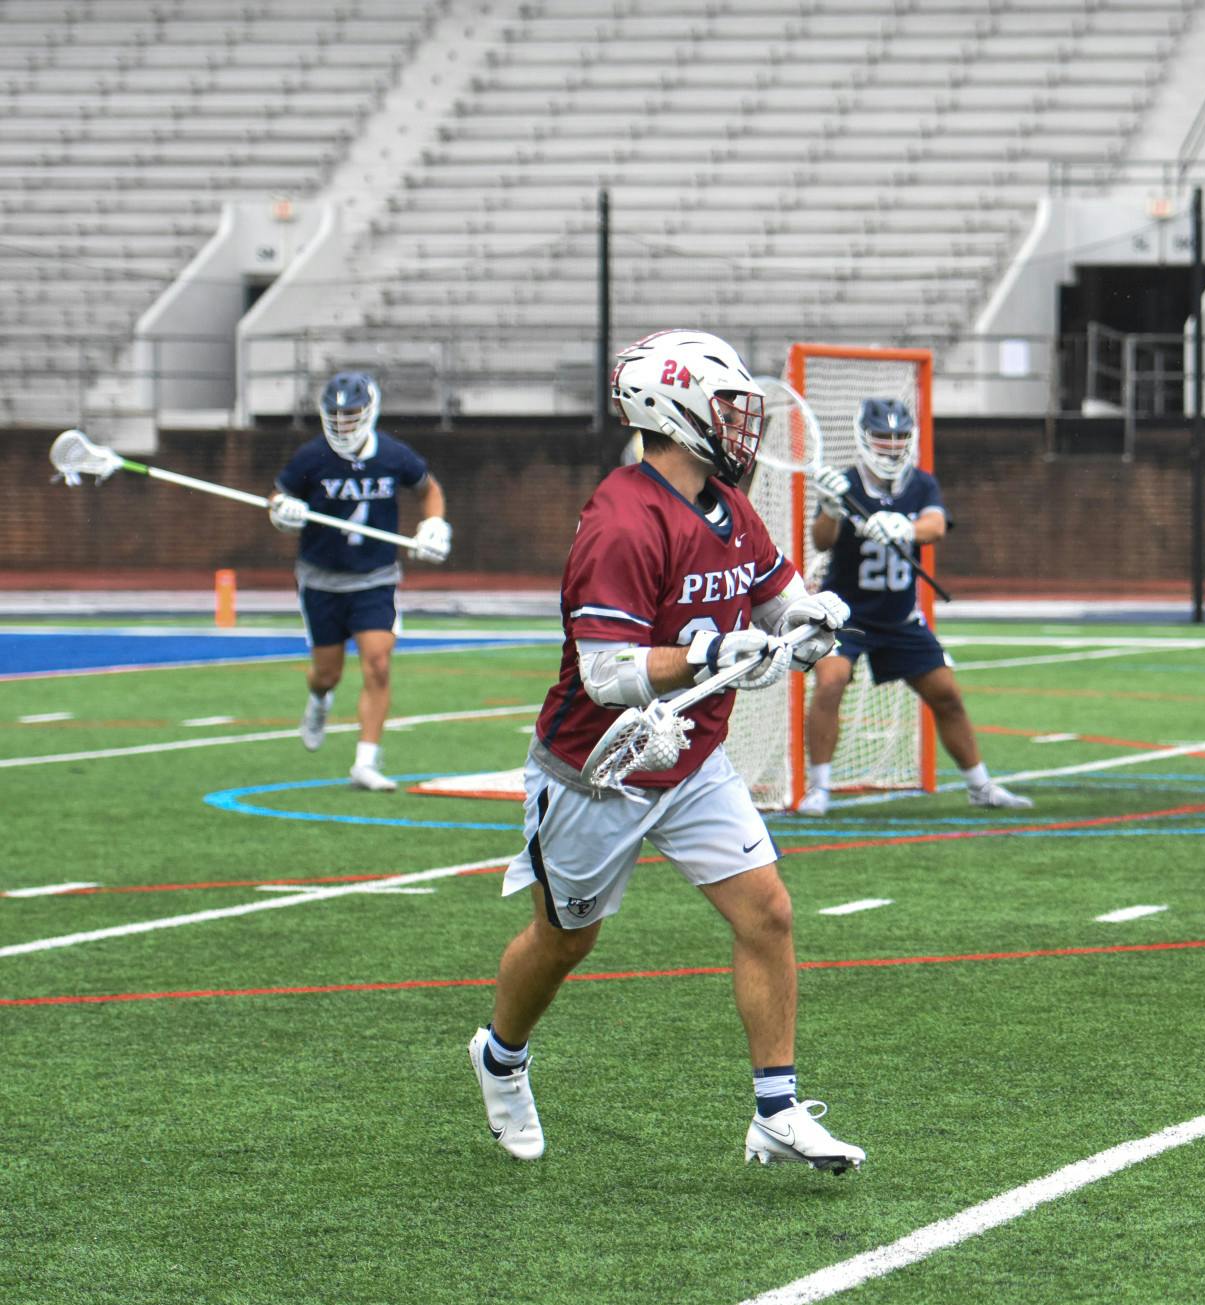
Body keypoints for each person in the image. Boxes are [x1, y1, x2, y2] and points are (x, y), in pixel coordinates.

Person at [468, 329, 865, 1172]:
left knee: (769, 912)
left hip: (693, 759)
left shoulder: (727, 501)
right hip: (599, 767)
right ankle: (500, 1056)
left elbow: (777, 601)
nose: (740, 423)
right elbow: (606, 672)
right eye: (725, 405)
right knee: (565, 938)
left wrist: (808, 626)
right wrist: (714, 655)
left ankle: (776, 1109)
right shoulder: (622, 519)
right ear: (673, 409)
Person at [795, 397, 1033, 816]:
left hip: (900, 618)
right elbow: (822, 541)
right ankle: (820, 788)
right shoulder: (844, 484)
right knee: (830, 682)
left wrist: (905, 526)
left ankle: (980, 786)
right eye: (882, 437)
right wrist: (831, 509)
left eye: (899, 436)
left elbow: (936, 525)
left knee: (948, 696)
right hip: (847, 615)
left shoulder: (921, 484)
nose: (890, 445)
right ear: (864, 438)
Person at [269, 371, 450, 791]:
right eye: (336, 415)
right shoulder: (312, 458)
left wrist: (434, 524)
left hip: (375, 577)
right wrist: (284, 512)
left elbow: (428, 488)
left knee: (378, 662)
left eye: (351, 415)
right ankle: (319, 699)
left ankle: (365, 761)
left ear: (368, 412)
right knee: (327, 673)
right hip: (322, 580)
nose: (343, 424)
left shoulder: (393, 455)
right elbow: (277, 499)